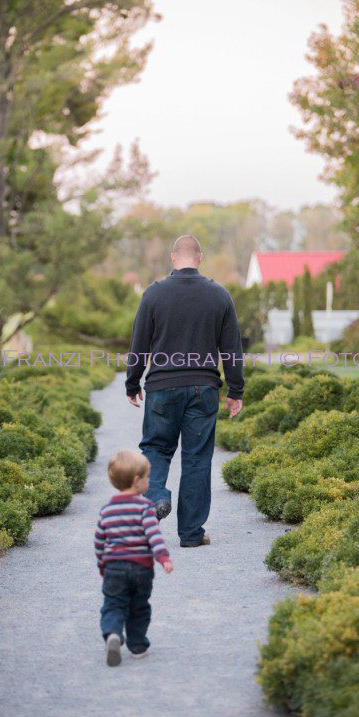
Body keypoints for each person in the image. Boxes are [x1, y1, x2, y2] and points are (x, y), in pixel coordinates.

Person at [124, 234, 244, 548]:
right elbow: (232, 350)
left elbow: (139, 345)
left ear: (173, 258)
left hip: (162, 388)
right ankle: (191, 534)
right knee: (197, 460)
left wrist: (132, 382)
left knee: (156, 448)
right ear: (200, 258)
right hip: (204, 389)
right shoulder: (220, 295)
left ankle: (155, 497)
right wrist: (236, 390)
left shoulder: (153, 295)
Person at [94, 450, 173, 667]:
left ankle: (113, 634)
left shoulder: (107, 510)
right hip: (141, 569)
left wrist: (103, 564)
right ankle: (137, 646)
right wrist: (163, 557)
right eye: (147, 477)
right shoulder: (145, 508)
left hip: (114, 568)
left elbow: (99, 540)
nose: (149, 481)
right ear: (137, 481)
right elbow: (153, 535)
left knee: (113, 604)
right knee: (139, 606)